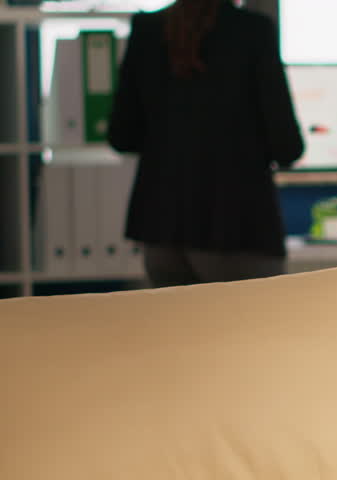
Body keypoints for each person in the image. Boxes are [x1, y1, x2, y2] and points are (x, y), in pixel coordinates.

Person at [108, 0, 304, 287]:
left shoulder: (146, 30)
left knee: (180, 331)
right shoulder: (253, 31)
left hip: (163, 229)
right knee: (253, 330)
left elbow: (121, 136)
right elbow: (287, 146)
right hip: (237, 227)